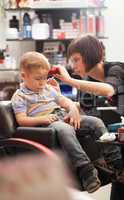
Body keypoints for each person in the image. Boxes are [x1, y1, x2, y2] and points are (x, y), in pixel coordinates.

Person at [11, 51, 122, 194]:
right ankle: (86, 170)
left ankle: (115, 161)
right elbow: (21, 120)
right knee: (65, 130)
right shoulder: (19, 96)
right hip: (46, 124)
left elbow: (64, 101)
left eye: (45, 78)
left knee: (96, 122)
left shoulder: (47, 88)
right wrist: (42, 119)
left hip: (63, 115)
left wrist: (71, 109)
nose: (42, 82)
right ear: (23, 76)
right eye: (38, 79)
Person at [54, 34, 124, 199]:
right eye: (71, 61)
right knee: (119, 181)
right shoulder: (88, 80)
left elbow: (108, 90)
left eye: (76, 59)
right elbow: (84, 105)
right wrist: (72, 106)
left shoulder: (116, 69)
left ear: (90, 55)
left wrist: (70, 81)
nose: (73, 65)